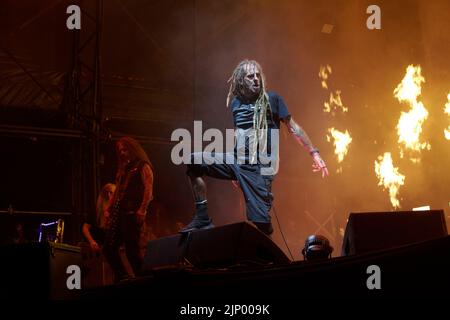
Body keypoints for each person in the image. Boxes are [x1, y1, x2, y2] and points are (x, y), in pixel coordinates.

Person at [181, 59, 328, 235]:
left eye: (258, 75)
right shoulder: (235, 103)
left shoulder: (273, 99)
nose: (256, 79)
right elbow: (239, 132)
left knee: (262, 224)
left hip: (260, 167)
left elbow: (293, 128)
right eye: (251, 76)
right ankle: (202, 218)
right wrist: (235, 170)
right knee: (193, 160)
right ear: (242, 80)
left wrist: (314, 153)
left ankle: (271, 260)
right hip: (237, 160)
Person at [103, 137, 154, 282]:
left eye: (125, 149)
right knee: (108, 248)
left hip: (132, 213)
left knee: (132, 250)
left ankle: (144, 278)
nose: (122, 153)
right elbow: (118, 190)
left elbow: (149, 190)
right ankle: (123, 277)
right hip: (119, 214)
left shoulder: (143, 165)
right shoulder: (124, 169)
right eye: (120, 151)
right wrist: (108, 208)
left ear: (132, 148)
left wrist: (142, 210)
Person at [82, 183, 116, 251]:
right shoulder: (97, 210)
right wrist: (92, 241)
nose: (109, 195)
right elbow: (85, 228)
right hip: (97, 247)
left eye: (113, 193)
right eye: (107, 192)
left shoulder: (116, 210)